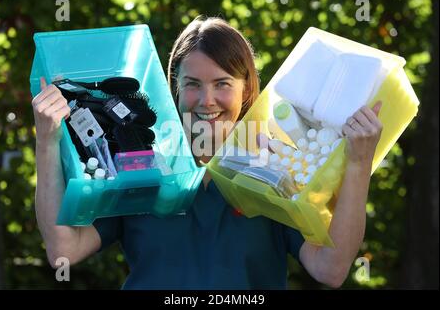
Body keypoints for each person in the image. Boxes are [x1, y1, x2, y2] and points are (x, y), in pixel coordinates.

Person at [32, 16, 383, 289]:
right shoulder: (142, 166)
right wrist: (47, 141)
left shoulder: (275, 168)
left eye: (222, 84)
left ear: (246, 91)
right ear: (175, 88)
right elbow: (65, 249)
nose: (206, 100)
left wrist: (358, 162)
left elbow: (331, 269)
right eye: (192, 84)